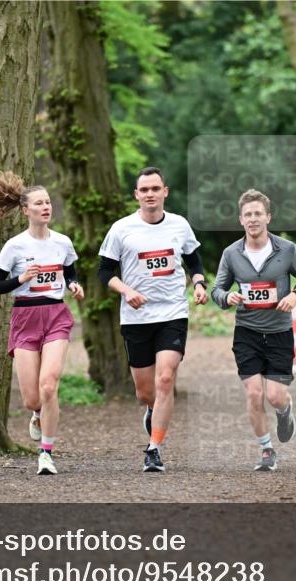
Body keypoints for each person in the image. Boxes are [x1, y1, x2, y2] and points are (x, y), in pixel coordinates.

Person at [98, 167, 208, 472]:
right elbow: (104, 272)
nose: (150, 194)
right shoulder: (121, 229)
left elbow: (194, 261)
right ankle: (151, 409)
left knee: (165, 379)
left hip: (173, 312)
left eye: (155, 189)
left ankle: (154, 449)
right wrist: (126, 290)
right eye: (144, 190)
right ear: (136, 194)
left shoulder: (179, 225)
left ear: (165, 192)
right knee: (145, 392)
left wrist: (199, 284)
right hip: (136, 317)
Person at [0, 171, 85, 475]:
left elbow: (70, 270)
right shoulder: (15, 246)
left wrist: (74, 285)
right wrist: (21, 278)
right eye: (39, 203)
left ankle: (46, 454)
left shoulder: (62, 242)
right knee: (31, 398)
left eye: (47, 202)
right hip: (25, 318)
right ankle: (37, 413)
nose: (45, 207)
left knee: (49, 386)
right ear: (26, 210)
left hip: (56, 315)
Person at [211, 189, 296, 471]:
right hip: (247, 332)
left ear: (268, 217)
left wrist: (295, 295)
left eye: (258, 213)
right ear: (241, 219)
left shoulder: (287, 249)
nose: (253, 219)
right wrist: (227, 297)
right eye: (248, 214)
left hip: (279, 332)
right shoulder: (231, 253)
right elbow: (217, 289)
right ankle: (267, 450)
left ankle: (285, 409)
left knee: (275, 396)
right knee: (254, 394)